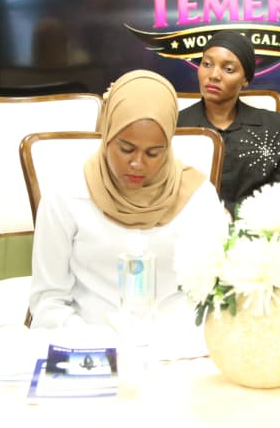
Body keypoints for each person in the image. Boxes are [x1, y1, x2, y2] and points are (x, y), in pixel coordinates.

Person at [30, 70, 229, 328]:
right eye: (126, 149)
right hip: (90, 339)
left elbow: (217, 291)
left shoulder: (197, 196)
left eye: (153, 153)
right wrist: (90, 342)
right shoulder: (66, 195)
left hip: (178, 339)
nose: (137, 163)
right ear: (106, 134)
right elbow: (49, 301)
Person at [177, 31, 280, 214]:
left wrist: (234, 212)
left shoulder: (277, 127)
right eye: (207, 64)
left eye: (228, 69)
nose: (214, 75)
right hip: (188, 223)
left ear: (245, 80)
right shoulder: (175, 126)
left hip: (258, 225)